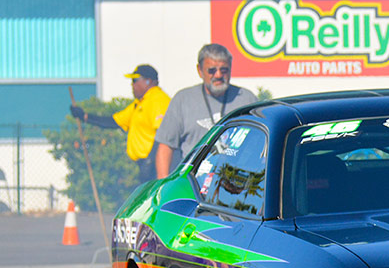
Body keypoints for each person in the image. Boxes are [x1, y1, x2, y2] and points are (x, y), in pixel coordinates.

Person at [155, 44, 257, 177]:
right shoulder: (183, 100)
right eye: (212, 70)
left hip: (237, 181)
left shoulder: (247, 99)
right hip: (193, 183)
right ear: (200, 70)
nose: (218, 75)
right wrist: (163, 189)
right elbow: (165, 148)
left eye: (224, 70)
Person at [70, 64, 170, 183]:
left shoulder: (158, 100)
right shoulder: (140, 103)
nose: (132, 85)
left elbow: (164, 134)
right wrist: (85, 117)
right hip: (146, 165)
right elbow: (114, 121)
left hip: (156, 166)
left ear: (148, 81)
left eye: (135, 80)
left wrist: (150, 161)